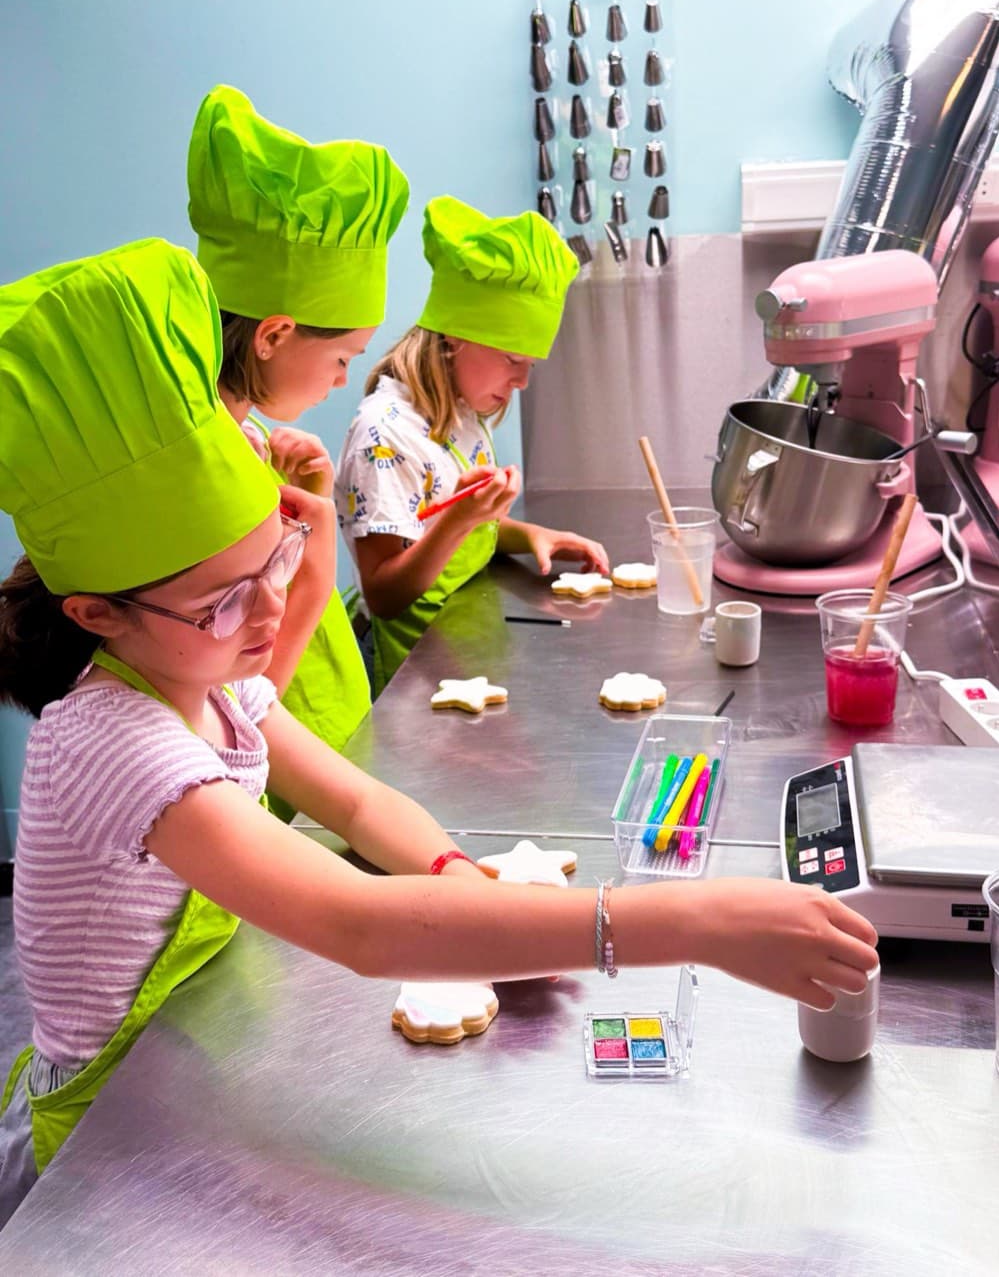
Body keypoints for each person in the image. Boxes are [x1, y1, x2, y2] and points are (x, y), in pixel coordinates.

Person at [0, 239, 879, 1226]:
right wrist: (688, 922)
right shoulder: (121, 741)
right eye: (219, 602)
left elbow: (355, 798)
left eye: (274, 566)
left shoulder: (213, 681)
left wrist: (458, 875)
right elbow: (359, 924)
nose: (263, 618)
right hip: (107, 1127)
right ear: (96, 615)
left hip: (198, 1037)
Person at [188, 84, 410, 784]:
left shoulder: (242, 444)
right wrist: (310, 569)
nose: (345, 379)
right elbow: (236, 712)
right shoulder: (200, 469)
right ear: (275, 333)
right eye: (343, 357)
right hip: (252, 775)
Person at [335, 196, 611, 693]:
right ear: (455, 339)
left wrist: (531, 536)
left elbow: (470, 523)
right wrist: (461, 520)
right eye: (512, 359)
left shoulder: (463, 412)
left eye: (531, 364)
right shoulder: (385, 433)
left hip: (462, 650)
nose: (523, 381)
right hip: (411, 677)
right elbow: (384, 594)